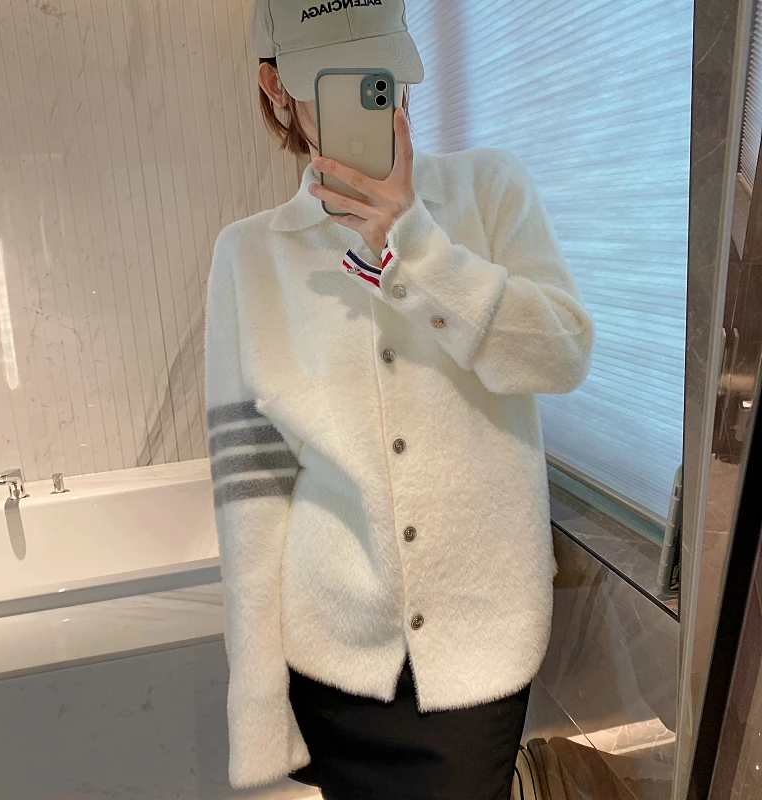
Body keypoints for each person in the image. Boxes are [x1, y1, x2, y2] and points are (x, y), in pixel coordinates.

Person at [204, 1, 594, 798]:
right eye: (333, 79)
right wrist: (258, 700)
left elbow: (560, 354)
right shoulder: (249, 255)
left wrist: (413, 245)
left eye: (378, 73)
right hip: (333, 657)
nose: (365, 91)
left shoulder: (491, 192)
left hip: (481, 648)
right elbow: (252, 496)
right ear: (276, 87)